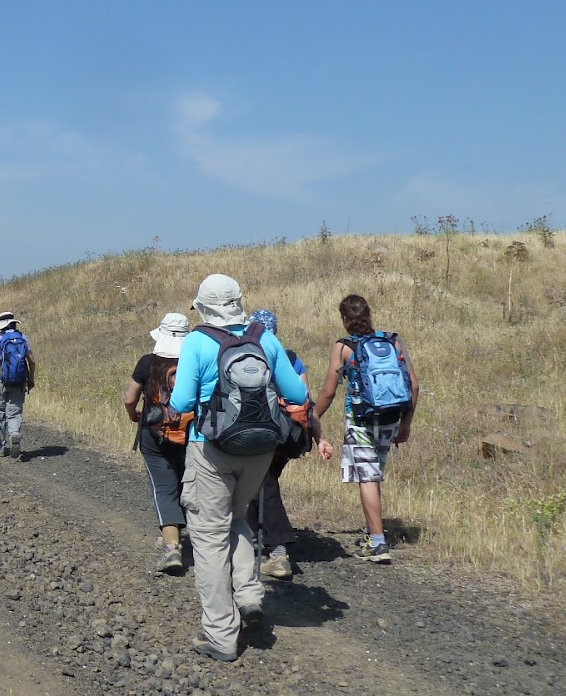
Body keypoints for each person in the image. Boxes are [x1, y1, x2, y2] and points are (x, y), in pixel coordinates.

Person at [169, 274, 309, 663]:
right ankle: (248, 595)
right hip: (260, 449)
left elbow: (181, 403)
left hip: (211, 448)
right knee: (238, 519)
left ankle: (220, 635)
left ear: (203, 307)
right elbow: (298, 393)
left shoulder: (197, 341)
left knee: (209, 536)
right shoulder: (265, 338)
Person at [313, 294, 418, 564]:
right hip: (391, 417)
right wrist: (406, 424)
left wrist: (313, 416)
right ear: (369, 315)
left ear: (344, 319)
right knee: (374, 475)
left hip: (361, 420)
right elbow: (414, 385)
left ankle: (378, 543)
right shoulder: (393, 341)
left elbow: (329, 391)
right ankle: (374, 531)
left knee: (368, 478)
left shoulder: (344, 347)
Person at [242, 309, 324, 580]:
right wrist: (318, 437)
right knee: (261, 485)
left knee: (263, 485)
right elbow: (305, 401)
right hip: (290, 435)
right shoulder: (291, 358)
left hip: (261, 432)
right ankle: (253, 538)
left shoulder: (246, 356)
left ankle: (279, 552)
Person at [123, 312, 193, 574]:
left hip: (154, 432)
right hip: (190, 432)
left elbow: (130, 399)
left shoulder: (148, 362)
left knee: (164, 487)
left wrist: (134, 415)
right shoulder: (195, 361)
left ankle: (172, 547)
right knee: (188, 483)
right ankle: (198, 540)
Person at [0, 314, 35, 459]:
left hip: (0, 380)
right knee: (14, 411)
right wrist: (31, 378)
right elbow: (32, 361)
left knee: (0, 412)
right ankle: (14, 434)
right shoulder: (23, 337)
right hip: (19, 380)